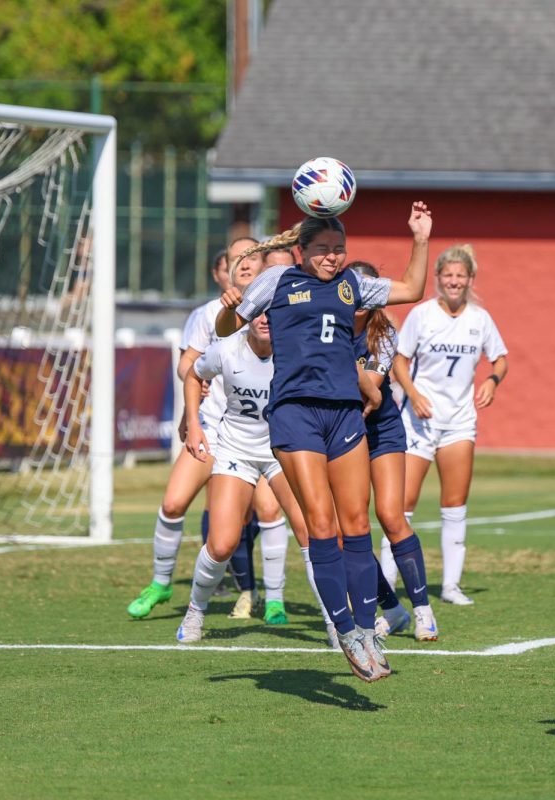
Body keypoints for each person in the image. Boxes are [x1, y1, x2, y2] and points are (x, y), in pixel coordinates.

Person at [216, 201, 433, 682]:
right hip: (295, 414)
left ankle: (366, 629)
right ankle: (346, 633)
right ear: (301, 251)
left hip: (344, 414)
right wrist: (231, 310)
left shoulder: (352, 285)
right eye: (323, 249)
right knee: (322, 524)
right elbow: (226, 331)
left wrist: (419, 238)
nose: (333, 257)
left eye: (339, 249)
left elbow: (414, 289)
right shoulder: (278, 282)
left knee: (357, 524)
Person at [126, 239, 269, 620]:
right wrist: (194, 397)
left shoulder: (276, 311)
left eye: (252, 256)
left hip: (258, 436)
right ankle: (160, 583)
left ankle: (274, 599)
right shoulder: (207, 314)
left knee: (269, 519)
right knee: (173, 504)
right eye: (236, 257)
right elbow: (187, 364)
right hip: (211, 429)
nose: (244, 263)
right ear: (225, 268)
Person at [175, 313, 333, 642]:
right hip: (236, 451)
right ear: (247, 315)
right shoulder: (227, 349)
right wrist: (194, 423)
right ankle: (195, 612)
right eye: (258, 310)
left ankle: (336, 624)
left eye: (273, 312)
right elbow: (193, 374)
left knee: (312, 532)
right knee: (222, 544)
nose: (265, 318)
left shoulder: (298, 351)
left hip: (284, 450)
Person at [392, 244, 508, 606]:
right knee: (400, 505)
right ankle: (385, 581)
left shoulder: (480, 318)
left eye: (461, 276)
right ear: (438, 278)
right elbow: (399, 359)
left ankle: (451, 586)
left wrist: (492, 380)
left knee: (455, 504)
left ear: (470, 279)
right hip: (418, 422)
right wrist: (413, 392)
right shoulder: (422, 315)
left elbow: (500, 359)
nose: (454, 281)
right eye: (448, 275)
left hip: (459, 422)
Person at [349, 261, 437, 642]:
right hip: (341, 431)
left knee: (390, 514)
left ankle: (423, 611)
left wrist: (330, 353)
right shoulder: (325, 327)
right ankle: (394, 610)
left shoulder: (384, 333)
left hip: (380, 429)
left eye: (369, 287)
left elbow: (370, 388)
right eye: (354, 286)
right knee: (348, 529)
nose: (360, 295)